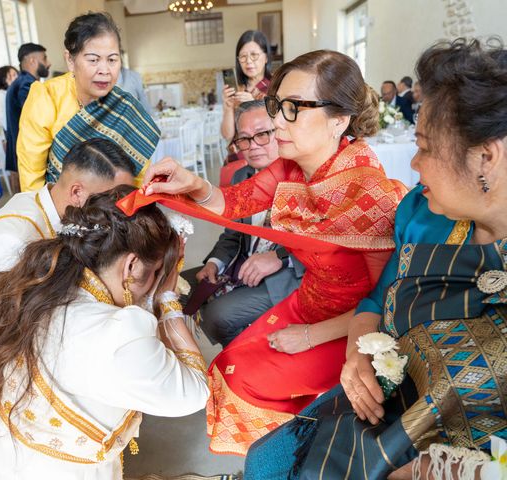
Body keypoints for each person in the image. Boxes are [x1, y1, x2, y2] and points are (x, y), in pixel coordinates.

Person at [244, 37, 507, 480]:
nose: (415, 165)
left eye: (424, 147)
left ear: (486, 157)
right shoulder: (421, 214)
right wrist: (358, 353)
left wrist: (435, 471)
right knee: (264, 460)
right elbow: (377, 299)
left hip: (461, 454)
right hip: (382, 402)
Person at [142, 50, 408, 455]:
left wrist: (308, 336)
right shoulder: (293, 166)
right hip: (307, 302)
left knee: (244, 378)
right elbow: (231, 203)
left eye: (294, 109)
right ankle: (280, 457)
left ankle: (295, 456)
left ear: (340, 120)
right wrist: (189, 181)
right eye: (276, 106)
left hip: (352, 327)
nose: (277, 121)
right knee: (227, 364)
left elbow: (387, 300)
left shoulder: (364, 192)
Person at [0, 185, 209, 479]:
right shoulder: (120, 333)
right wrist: (167, 301)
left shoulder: (31, 284)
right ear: (131, 265)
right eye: (157, 271)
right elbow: (195, 392)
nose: (157, 281)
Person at [0, 138, 135, 315]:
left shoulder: (64, 211)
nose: (120, 211)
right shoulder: (11, 240)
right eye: (113, 200)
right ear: (76, 192)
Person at [182, 100, 304, 347]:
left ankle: (248, 360)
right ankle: (239, 350)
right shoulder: (241, 176)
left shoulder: (302, 176)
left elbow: (325, 241)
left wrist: (279, 257)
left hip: (290, 274)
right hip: (242, 264)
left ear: (279, 131)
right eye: (244, 139)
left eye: (262, 134)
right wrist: (215, 263)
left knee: (218, 315)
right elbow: (233, 234)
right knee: (178, 288)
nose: (253, 146)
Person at [17, 12, 159, 192]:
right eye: (93, 60)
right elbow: (32, 180)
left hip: (115, 208)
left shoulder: (123, 106)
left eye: (112, 60)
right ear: (70, 60)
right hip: (60, 211)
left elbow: (138, 178)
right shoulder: (46, 98)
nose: (105, 70)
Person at [221, 30, 272, 165]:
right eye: (243, 57)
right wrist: (227, 108)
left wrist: (253, 104)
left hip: (265, 158)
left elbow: (280, 127)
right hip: (237, 159)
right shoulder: (237, 90)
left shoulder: (277, 88)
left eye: (254, 55)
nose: (248, 61)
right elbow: (227, 135)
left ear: (266, 57)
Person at [5, 43, 51, 194]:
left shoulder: (19, 83)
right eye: (44, 58)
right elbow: (38, 118)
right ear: (32, 61)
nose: (48, 63)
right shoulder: (27, 85)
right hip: (29, 154)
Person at [0, 65, 18, 131]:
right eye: (12, 76)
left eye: (16, 74)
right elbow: (3, 118)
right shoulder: (0, 95)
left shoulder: (19, 91)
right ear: (4, 79)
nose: (16, 77)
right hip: (15, 131)